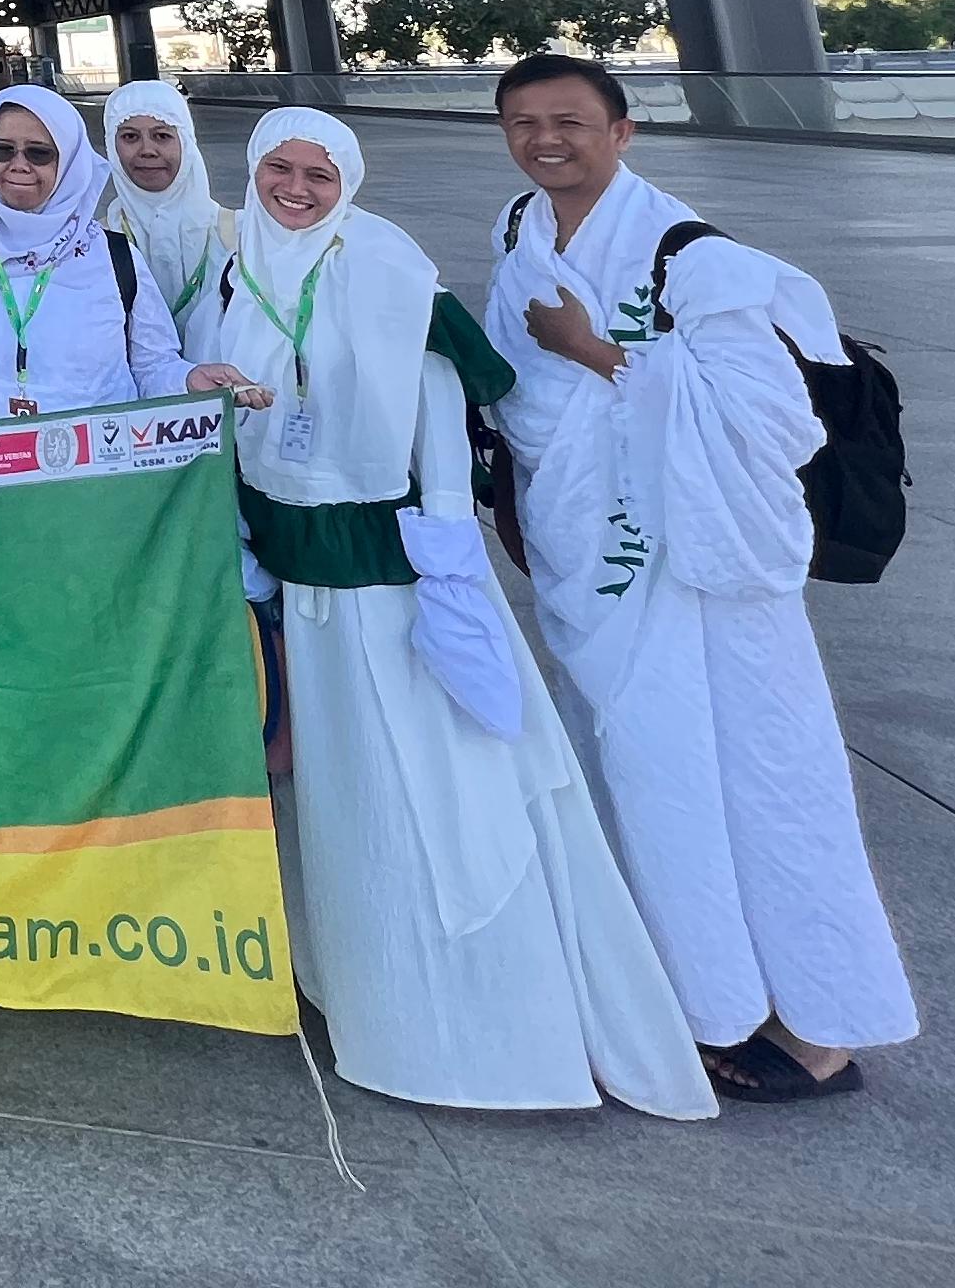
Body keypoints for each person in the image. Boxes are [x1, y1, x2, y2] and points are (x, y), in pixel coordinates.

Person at [185, 103, 710, 1118]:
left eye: (318, 175)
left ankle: (479, 1032)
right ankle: (365, 991)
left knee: (430, 794)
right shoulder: (240, 272)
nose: (295, 190)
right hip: (293, 573)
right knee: (339, 798)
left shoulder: (391, 273)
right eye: (278, 169)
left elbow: (439, 429)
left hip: (391, 585)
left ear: (348, 183)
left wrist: (447, 579)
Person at [483, 53, 915, 1104]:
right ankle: (695, 996)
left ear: (622, 131)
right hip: (595, 560)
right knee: (644, 781)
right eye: (525, 122)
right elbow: (521, 388)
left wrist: (594, 351)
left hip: (698, 572)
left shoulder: (695, 257)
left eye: (571, 121)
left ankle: (818, 1029)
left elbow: (770, 417)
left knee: (758, 781)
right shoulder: (521, 229)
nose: (547, 140)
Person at [0, 85, 197, 419]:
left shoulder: (112, 256)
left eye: (39, 153)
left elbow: (153, 366)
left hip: (102, 448)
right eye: (3, 150)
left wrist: (190, 381)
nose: (19, 165)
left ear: (69, 160)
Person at [103, 77, 234, 330]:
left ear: (185, 141)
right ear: (112, 145)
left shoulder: (236, 236)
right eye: (130, 137)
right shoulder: (98, 242)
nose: (147, 150)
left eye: (162, 136)